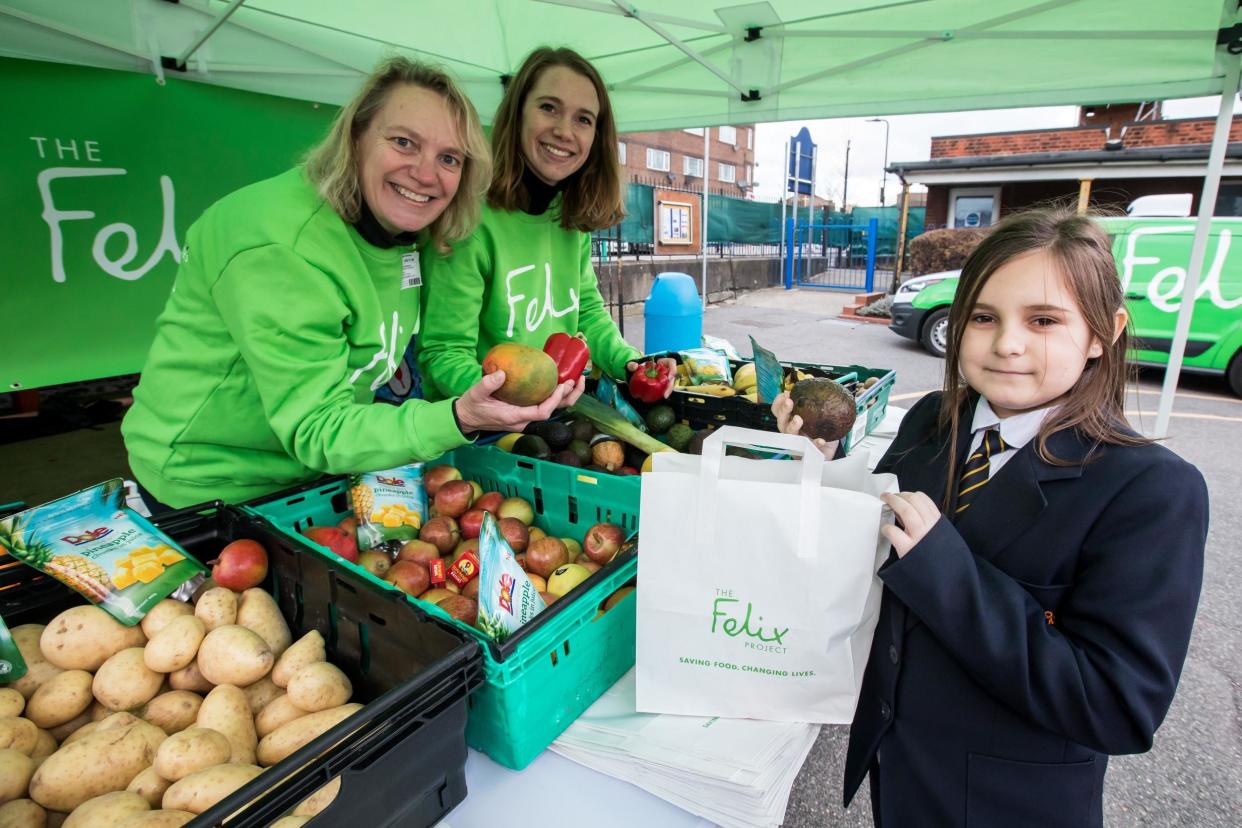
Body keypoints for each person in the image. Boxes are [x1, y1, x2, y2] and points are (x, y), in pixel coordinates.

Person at [776, 207, 1208, 827]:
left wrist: (944, 570)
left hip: (1009, 805)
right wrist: (826, 465)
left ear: (1101, 333)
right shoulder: (932, 418)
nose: (1007, 343)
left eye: (1044, 320)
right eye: (983, 316)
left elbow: (1118, 706)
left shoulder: (1152, 491)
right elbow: (879, 541)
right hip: (898, 772)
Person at [123, 57, 575, 511]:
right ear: (355, 137)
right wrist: (458, 417)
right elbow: (317, 426)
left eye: (449, 158)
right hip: (208, 486)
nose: (425, 173)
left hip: (317, 472)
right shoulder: (281, 246)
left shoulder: (408, 234)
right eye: (403, 142)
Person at [416, 46, 674, 401]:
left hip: (550, 418)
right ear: (518, 113)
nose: (564, 131)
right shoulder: (468, 220)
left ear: (596, 137)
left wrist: (628, 363)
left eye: (583, 119)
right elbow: (443, 353)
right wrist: (512, 404)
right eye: (549, 107)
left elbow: (586, 310)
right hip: (478, 435)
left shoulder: (568, 217)